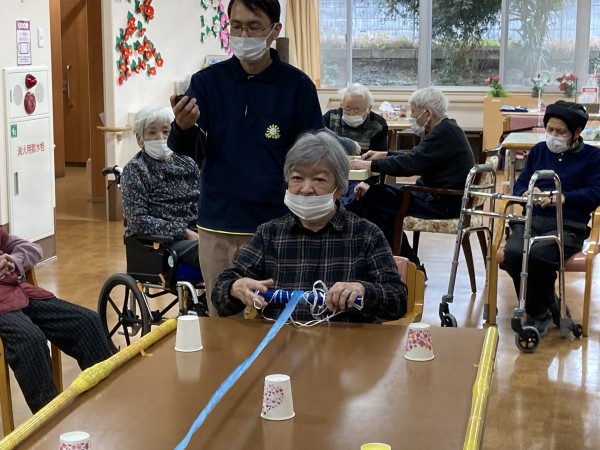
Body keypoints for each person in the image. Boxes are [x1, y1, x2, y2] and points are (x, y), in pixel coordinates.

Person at [168, 0, 324, 314]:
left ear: (274, 30)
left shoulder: (296, 86)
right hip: (219, 223)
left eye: (253, 27)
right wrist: (182, 127)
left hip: (278, 225)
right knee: (223, 321)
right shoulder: (207, 82)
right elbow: (187, 149)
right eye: (236, 26)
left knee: (278, 318)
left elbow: (313, 154)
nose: (243, 35)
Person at [212, 131, 407, 323]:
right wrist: (234, 288)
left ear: (339, 188)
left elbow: (398, 301)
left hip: (346, 341)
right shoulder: (269, 234)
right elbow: (220, 297)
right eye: (297, 178)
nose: (305, 189)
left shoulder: (366, 235)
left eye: (319, 179)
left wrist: (364, 290)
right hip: (281, 340)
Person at [501, 100, 600, 336]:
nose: (553, 135)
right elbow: (520, 183)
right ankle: (551, 308)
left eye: (560, 131)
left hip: (567, 226)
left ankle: (537, 314)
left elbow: (596, 192)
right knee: (513, 254)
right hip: (532, 220)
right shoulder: (538, 151)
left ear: (576, 132)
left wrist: (562, 198)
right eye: (550, 129)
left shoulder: (593, 157)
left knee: (538, 255)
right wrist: (526, 193)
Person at [349, 87, 475, 271]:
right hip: (441, 197)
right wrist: (385, 154)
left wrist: (370, 165)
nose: (412, 116)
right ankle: (407, 265)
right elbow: (418, 156)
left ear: (427, 114)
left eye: (414, 111)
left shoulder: (443, 134)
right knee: (376, 198)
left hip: (443, 202)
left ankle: (407, 266)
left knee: (374, 198)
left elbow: (410, 164)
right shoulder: (447, 129)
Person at [0, 230, 114, 413]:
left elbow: (32, 248)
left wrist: (13, 260)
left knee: (87, 321)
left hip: (17, 293)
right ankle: (50, 418)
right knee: (31, 340)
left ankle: (112, 396)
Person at [121, 107, 201, 270]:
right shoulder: (136, 170)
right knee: (213, 252)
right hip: (164, 243)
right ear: (140, 139)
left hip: (198, 233)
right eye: (152, 133)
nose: (161, 138)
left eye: (166, 132)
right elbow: (137, 221)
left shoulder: (187, 162)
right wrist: (183, 232)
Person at [323, 83, 388, 206]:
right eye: (347, 109)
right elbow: (318, 138)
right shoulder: (331, 117)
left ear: (369, 108)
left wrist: (368, 182)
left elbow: (379, 160)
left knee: (357, 200)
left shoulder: (377, 125)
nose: (351, 114)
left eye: (356, 110)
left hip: (361, 178)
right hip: (331, 174)